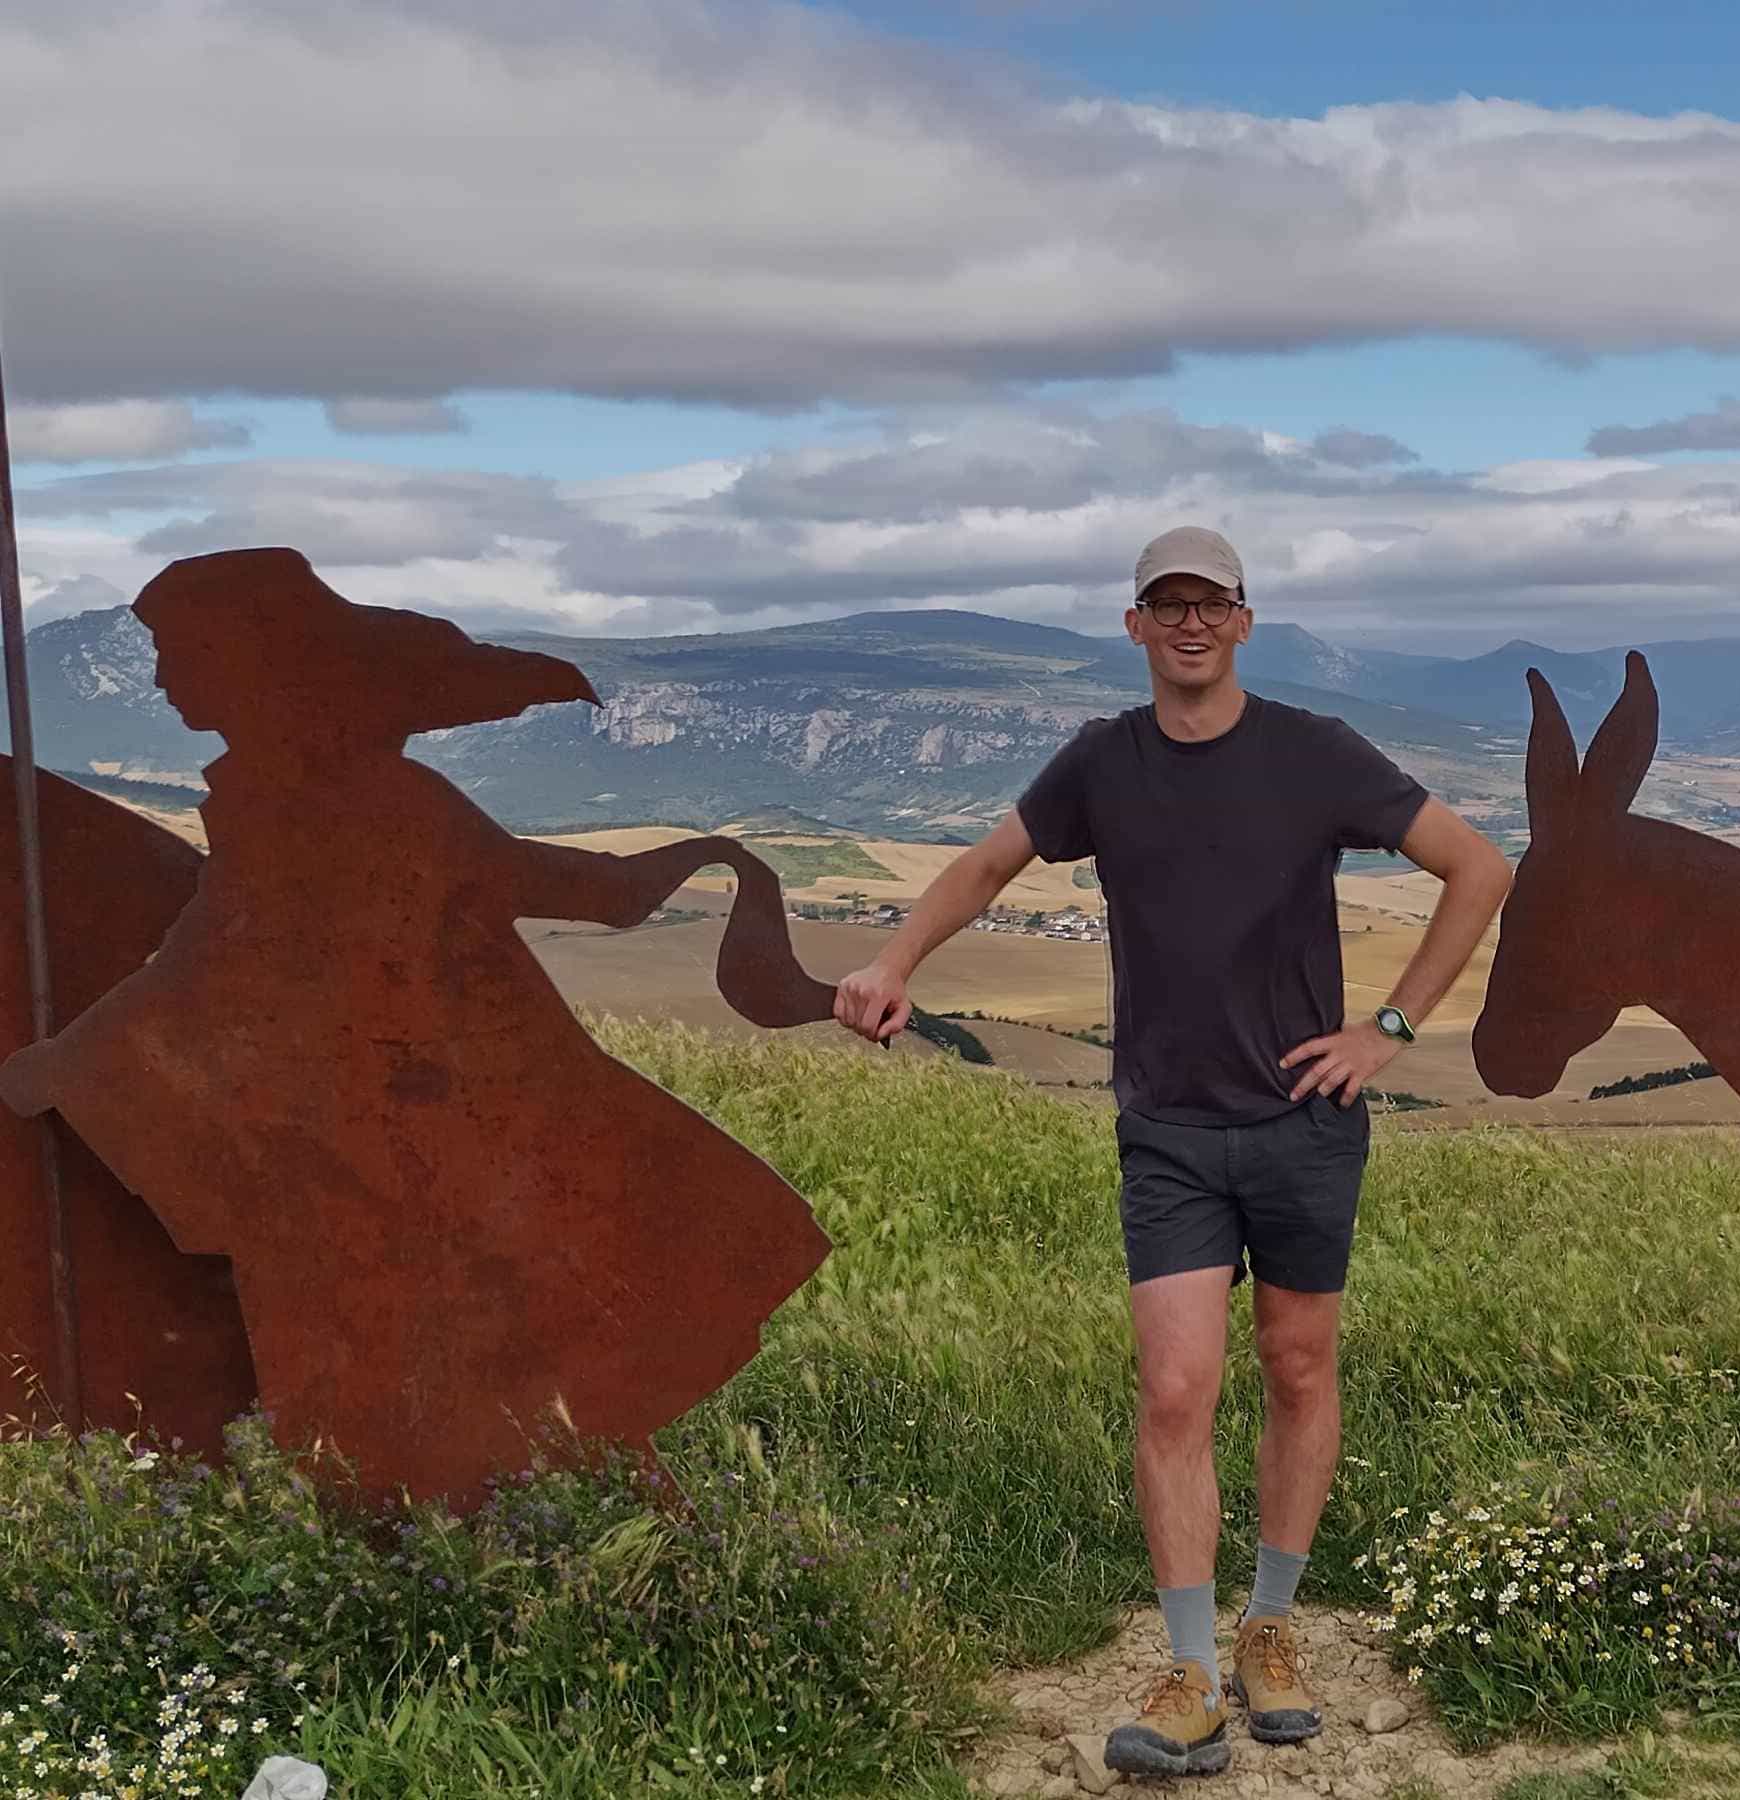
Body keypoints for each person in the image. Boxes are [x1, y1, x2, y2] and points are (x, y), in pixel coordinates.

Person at [834, 525, 1513, 1778]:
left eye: (1211, 603)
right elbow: (989, 866)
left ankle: (1271, 1628)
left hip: (1305, 1121)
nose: (1190, 622)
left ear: (1245, 622)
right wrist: (892, 961)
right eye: (1166, 604)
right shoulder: (1103, 763)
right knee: (1174, 1391)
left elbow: (1477, 865)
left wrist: (1392, 1027)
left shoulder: (1314, 752)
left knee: (1300, 1369)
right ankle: (1194, 1670)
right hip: (1170, 1131)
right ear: (1134, 625)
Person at [0, 548, 837, 1506]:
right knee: (499, 1407)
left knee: (402, 1406)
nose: (160, 677)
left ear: (251, 657)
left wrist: (62, 1063)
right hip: (390, 1154)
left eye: (177, 649)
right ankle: (589, 1575)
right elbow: (560, 888)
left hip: (384, 1172)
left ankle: (483, 1584)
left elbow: (204, 968)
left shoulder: (314, 812)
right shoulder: (336, 799)